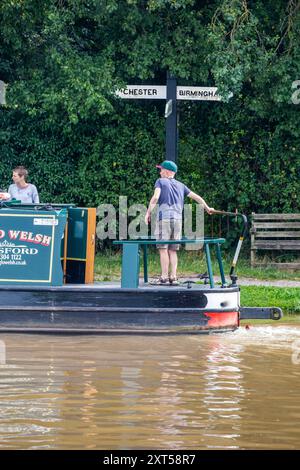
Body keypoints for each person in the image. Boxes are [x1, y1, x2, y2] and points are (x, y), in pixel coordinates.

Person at [145, 160, 215, 285]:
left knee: (163, 248)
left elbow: (156, 197)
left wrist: (148, 212)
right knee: (173, 250)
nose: (160, 172)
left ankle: (164, 278)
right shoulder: (181, 185)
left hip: (164, 219)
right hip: (177, 220)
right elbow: (197, 197)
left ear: (167, 171)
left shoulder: (160, 181)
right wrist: (207, 208)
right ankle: (173, 277)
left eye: (161, 170)